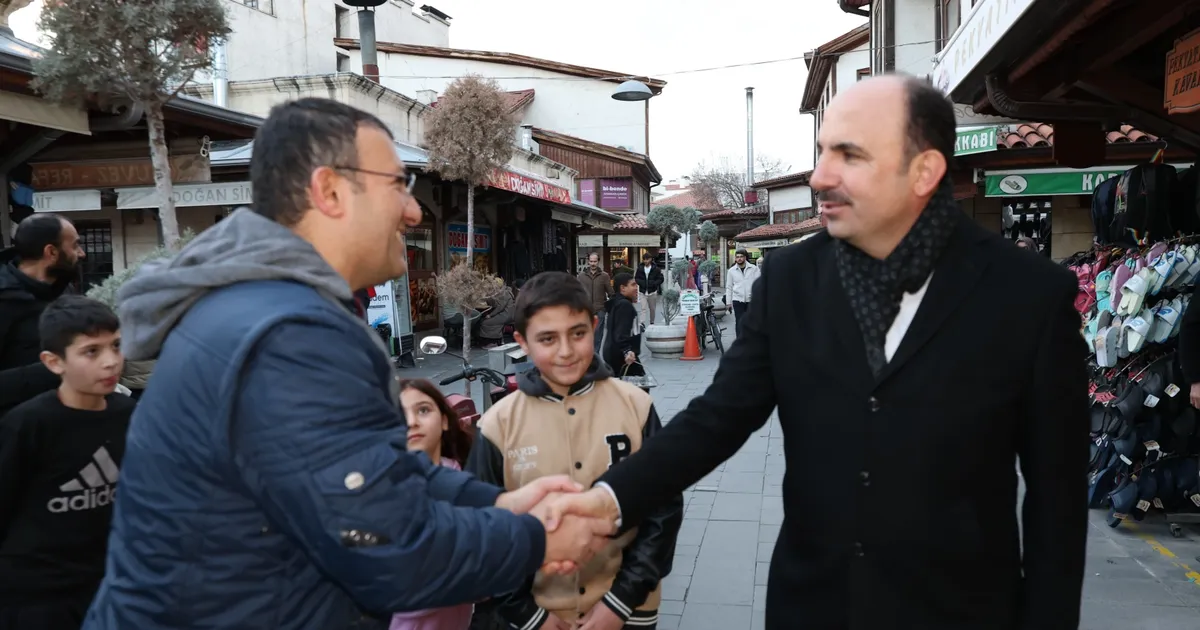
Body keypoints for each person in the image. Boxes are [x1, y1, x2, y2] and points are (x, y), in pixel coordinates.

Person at [547, 75, 1089, 630]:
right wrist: (608, 499)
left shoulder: (1029, 295)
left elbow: (1058, 501)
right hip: (812, 605)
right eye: (823, 152)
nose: (819, 177)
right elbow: (716, 420)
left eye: (848, 155)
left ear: (923, 171)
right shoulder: (790, 280)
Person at [84, 98, 612, 630]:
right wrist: (538, 539)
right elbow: (389, 549)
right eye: (398, 185)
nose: (413, 212)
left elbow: (374, 468)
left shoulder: (264, 306)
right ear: (331, 191)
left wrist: (497, 505)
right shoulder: (292, 333)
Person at [466, 271, 681, 630]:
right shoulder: (497, 424)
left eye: (577, 334)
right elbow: (484, 529)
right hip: (538, 613)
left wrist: (620, 602)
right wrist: (528, 615)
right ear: (522, 341)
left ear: (594, 327)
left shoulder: (636, 406)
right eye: (547, 338)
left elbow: (663, 508)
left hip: (629, 610)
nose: (565, 351)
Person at [0, 296, 133, 630]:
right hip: (38, 595)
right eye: (91, 351)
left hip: (108, 582)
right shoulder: (28, 425)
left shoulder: (130, 415)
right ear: (54, 362)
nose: (111, 362)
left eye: (116, 346)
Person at [390, 379, 476, 630]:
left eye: (423, 410)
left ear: (445, 420)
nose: (411, 422)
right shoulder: (377, 493)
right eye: (399, 415)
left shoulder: (470, 481)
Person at [0, 214, 85, 416]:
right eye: (75, 245)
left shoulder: (64, 289)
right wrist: (57, 369)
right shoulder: (5, 299)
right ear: (51, 252)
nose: (81, 253)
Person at [600, 273, 643, 377]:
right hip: (622, 356)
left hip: (616, 353)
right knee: (639, 383)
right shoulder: (624, 305)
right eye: (633, 285)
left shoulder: (618, 303)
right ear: (622, 288)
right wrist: (627, 351)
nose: (636, 288)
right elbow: (621, 332)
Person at [578, 253, 612, 353]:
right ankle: (587, 353)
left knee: (598, 334)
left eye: (595, 261)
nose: (593, 263)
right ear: (588, 261)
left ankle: (595, 355)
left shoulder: (604, 276)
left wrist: (610, 306)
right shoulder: (581, 276)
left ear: (598, 261)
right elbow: (577, 292)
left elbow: (610, 292)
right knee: (586, 333)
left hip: (600, 309)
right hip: (586, 309)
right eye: (591, 261)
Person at [725, 248, 760, 338]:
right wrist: (728, 302)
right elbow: (729, 287)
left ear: (745, 257)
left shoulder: (754, 269)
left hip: (751, 300)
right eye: (737, 257)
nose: (739, 259)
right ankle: (740, 342)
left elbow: (759, 284)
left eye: (741, 257)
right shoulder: (731, 271)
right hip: (738, 300)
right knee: (739, 322)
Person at [478, 279, 515, 347]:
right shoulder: (501, 292)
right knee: (484, 320)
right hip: (504, 313)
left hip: (506, 315)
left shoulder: (504, 293)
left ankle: (493, 342)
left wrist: (490, 315)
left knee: (486, 323)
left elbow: (500, 307)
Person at [633, 253, 663, 327]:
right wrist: (641, 283)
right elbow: (636, 278)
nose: (645, 261)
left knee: (652, 309)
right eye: (644, 259)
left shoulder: (656, 269)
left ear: (650, 259)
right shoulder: (640, 268)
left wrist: (654, 284)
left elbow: (661, 278)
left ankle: (652, 322)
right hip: (642, 292)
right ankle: (642, 323)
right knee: (643, 308)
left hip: (652, 292)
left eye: (647, 259)